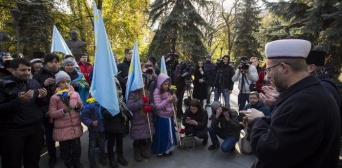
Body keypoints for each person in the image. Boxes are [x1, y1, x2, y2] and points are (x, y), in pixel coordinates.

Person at [241, 39, 340, 168]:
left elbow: (269, 152)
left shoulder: (304, 102)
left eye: (270, 70)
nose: (267, 76)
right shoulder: (307, 93)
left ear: (283, 68)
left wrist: (257, 120)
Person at [0, 58, 47, 168]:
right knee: (12, 162)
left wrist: (42, 98)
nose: (27, 73)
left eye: (28, 70)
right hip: (12, 132)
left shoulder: (34, 83)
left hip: (35, 129)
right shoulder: (3, 84)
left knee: (33, 161)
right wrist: (19, 101)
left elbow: (41, 105)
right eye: (23, 70)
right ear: (12, 70)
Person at [48, 71, 84, 168]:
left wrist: (78, 107)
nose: (66, 84)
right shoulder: (55, 97)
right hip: (62, 129)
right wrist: (63, 111)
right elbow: (51, 113)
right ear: (58, 84)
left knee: (77, 148)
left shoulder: (75, 94)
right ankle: (69, 164)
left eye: (68, 81)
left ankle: (77, 162)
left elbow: (80, 107)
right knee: (65, 149)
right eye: (63, 82)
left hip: (75, 127)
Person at [32, 53, 60, 167]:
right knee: (49, 134)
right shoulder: (38, 74)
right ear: (46, 63)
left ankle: (65, 152)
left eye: (56, 62)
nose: (54, 64)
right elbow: (33, 90)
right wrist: (43, 84)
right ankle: (52, 156)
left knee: (62, 130)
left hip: (62, 107)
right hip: (46, 109)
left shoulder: (61, 72)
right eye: (51, 62)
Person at [101, 77, 130, 168]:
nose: (116, 90)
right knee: (111, 143)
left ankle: (120, 157)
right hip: (111, 126)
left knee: (120, 142)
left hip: (120, 125)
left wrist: (126, 116)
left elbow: (126, 110)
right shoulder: (106, 99)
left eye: (117, 87)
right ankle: (111, 159)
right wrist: (115, 109)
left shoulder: (121, 98)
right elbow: (105, 113)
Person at [127, 77, 155, 162]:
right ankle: (137, 151)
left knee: (144, 136)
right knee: (137, 137)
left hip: (146, 118)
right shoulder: (133, 94)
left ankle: (143, 149)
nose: (142, 84)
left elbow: (153, 103)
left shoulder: (147, 92)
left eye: (143, 82)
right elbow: (131, 106)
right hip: (137, 119)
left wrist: (150, 107)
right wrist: (142, 101)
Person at [152, 74, 178, 156]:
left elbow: (175, 101)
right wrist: (167, 100)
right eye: (165, 84)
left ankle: (169, 148)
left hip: (169, 115)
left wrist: (174, 98)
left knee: (169, 134)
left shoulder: (168, 90)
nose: (167, 86)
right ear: (160, 84)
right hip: (162, 117)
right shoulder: (157, 92)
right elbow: (158, 106)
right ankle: (163, 150)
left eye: (168, 84)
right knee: (163, 135)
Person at [81, 98, 107, 168]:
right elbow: (84, 117)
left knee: (102, 144)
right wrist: (91, 123)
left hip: (102, 129)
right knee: (92, 146)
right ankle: (92, 161)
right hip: (93, 130)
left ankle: (102, 157)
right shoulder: (90, 104)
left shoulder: (103, 104)